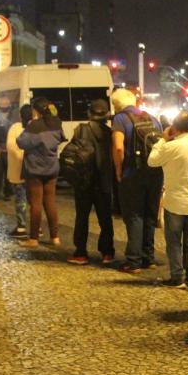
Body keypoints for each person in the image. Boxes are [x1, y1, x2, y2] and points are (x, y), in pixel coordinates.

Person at [111, 88, 163, 273]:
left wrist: (118, 170)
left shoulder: (120, 119)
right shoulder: (152, 118)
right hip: (155, 173)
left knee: (134, 215)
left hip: (132, 174)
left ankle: (133, 261)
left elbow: (118, 147)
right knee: (150, 216)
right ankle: (148, 258)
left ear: (117, 105)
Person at [147, 111, 188, 287]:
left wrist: (162, 139)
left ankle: (178, 276)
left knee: (174, 241)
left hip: (175, 200)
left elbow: (152, 161)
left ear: (174, 128)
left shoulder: (170, 147)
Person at [67, 99, 115, 265]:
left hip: (84, 180)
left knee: (82, 216)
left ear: (89, 113)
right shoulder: (111, 133)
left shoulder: (81, 130)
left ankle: (81, 253)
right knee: (105, 217)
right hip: (104, 180)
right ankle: (107, 252)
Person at [16, 97, 65, 248]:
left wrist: (29, 126)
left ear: (36, 110)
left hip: (35, 168)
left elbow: (21, 142)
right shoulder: (56, 124)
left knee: (36, 203)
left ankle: (33, 239)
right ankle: (55, 237)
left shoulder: (35, 126)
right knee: (50, 201)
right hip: (52, 167)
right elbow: (61, 138)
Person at [5, 104, 32, 237]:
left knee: (21, 199)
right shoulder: (37, 128)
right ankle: (36, 227)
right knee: (35, 200)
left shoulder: (15, 128)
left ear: (20, 115)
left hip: (19, 170)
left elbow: (11, 146)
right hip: (34, 170)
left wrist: (21, 158)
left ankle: (21, 226)